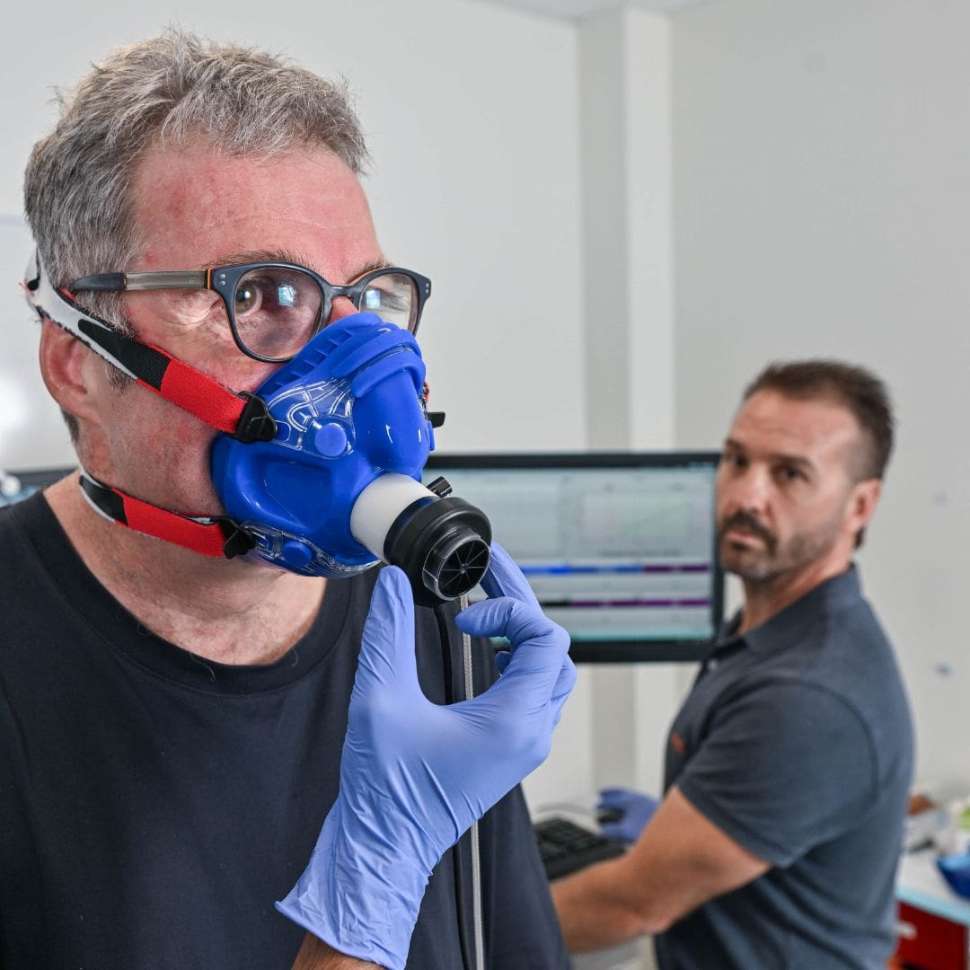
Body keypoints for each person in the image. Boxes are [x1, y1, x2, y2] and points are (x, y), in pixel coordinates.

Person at [1, 31, 575, 970]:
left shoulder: (429, 631)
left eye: (368, 299)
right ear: (78, 360)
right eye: (264, 293)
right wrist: (368, 886)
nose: (361, 372)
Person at [553, 360, 914, 969]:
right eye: (738, 460)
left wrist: (461, 929)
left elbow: (632, 907)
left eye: (790, 474)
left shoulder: (808, 695)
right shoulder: (771, 626)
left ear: (860, 506)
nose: (746, 495)